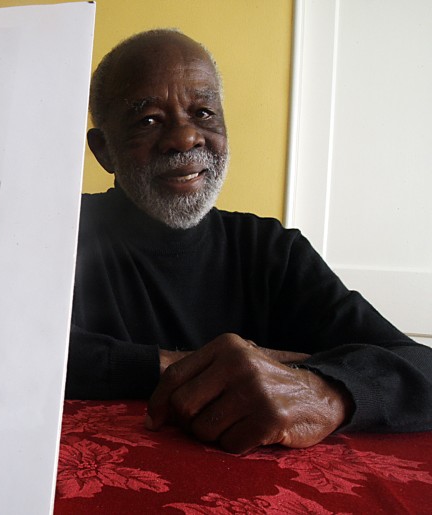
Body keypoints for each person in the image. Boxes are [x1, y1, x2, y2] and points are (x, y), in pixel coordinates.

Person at [66, 29, 432, 455]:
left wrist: (326, 393)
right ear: (103, 150)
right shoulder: (55, 232)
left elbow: (418, 365)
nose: (185, 138)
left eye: (203, 112)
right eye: (148, 120)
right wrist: (181, 366)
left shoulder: (272, 250)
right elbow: (10, 355)